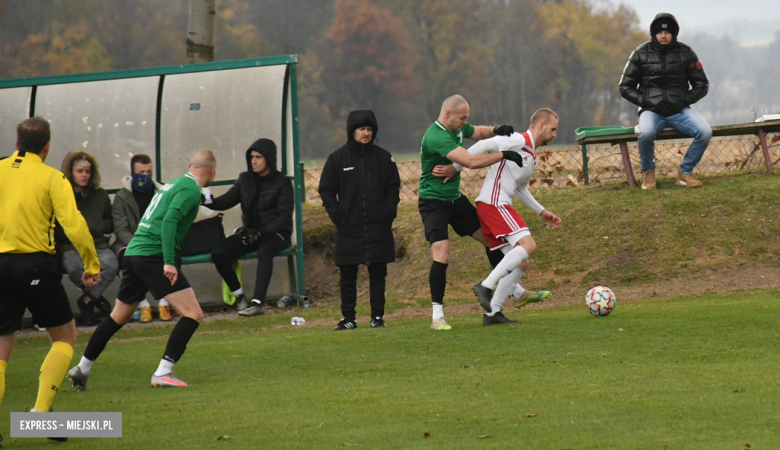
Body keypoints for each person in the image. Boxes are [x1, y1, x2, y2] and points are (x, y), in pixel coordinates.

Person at [67, 150, 216, 389]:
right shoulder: (190, 190)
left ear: (190, 165)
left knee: (119, 316)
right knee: (193, 314)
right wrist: (168, 261)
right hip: (153, 255)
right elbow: (168, 221)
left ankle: (82, 367)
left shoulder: (175, 183)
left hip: (135, 251)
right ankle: (163, 372)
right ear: (213, 171)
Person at [1, 117, 101, 431]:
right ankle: (41, 413)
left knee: (1, 348)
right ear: (46, 147)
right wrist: (92, 264)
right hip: (35, 265)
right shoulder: (52, 178)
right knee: (65, 336)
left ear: (16, 143)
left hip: (1, 266)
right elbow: (74, 224)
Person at [418, 94, 524, 331]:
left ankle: (501, 302)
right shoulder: (436, 136)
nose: (465, 122)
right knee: (442, 253)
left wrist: (496, 129)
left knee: (491, 239)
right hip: (433, 203)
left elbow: (476, 132)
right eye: (462, 118)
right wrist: (503, 155)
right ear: (447, 114)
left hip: (456, 201)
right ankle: (438, 316)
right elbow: (471, 161)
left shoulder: (457, 126)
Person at [468, 109, 562, 324]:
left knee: (522, 263)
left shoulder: (530, 154)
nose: (555, 134)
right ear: (540, 126)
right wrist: (455, 165)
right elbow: (485, 145)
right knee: (528, 244)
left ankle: (492, 314)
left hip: (494, 205)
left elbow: (520, 189)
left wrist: (542, 211)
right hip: (493, 204)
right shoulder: (518, 139)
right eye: (553, 129)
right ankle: (485, 286)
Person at [319, 110, 401, 330]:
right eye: (361, 129)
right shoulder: (337, 159)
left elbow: (394, 187)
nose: (365, 133)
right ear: (351, 131)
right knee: (347, 275)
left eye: (369, 129)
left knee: (378, 274)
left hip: (378, 226)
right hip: (348, 227)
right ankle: (349, 318)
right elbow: (326, 190)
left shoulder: (384, 158)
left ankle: (377, 317)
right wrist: (338, 215)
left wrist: (388, 212)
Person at [619, 12, 711, 190]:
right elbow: (624, 86)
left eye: (667, 32)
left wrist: (684, 99)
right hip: (651, 112)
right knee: (645, 133)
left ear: (674, 33)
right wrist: (645, 101)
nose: (663, 35)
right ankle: (648, 175)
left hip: (681, 111)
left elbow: (702, 84)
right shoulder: (640, 53)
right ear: (653, 33)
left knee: (705, 131)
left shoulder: (686, 53)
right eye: (660, 32)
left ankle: (685, 173)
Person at [204, 139, 293, 317]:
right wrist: (209, 201)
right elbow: (227, 201)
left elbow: (284, 218)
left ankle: (258, 302)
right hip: (250, 232)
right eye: (252, 157)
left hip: (276, 234)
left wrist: (261, 233)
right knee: (219, 252)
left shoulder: (282, 182)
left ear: (269, 159)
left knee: (265, 249)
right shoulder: (245, 179)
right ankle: (240, 297)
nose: (254, 161)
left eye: (258, 157)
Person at [55, 151, 119, 326]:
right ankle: (94, 300)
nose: (84, 175)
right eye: (79, 171)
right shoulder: (60, 194)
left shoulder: (100, 195)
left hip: (97, 243)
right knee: (75, 267)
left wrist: (99, 226)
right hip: (69, 246)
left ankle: (88, 300)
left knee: (111, 264)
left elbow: (110, 221)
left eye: (87, 171)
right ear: (70, 172)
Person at [112, 153, 172, 323]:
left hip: (157, 241)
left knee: (173, 252)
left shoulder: (162, 193)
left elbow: (168, 222)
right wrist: (141, 244)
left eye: (148, 172)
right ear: (132, 173)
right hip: (131, 243)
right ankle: (142, 303)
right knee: (129, 257)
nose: (145, 176)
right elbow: (121, 229)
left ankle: (164, 302)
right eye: (141, 172)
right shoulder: (122, 197)